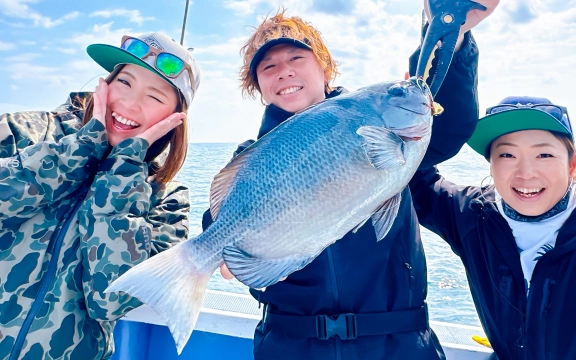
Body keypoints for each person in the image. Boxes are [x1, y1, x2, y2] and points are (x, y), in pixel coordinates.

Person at [200, 4, 497, 359]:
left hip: (397, 344)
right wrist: (236, 258)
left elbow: (448, 123)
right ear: (258, 87)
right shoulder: (250, 160)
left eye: (297, 57)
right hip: (292, 345)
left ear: (324, 68)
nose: (284, 71)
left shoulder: (380, 123)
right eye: (268, 67)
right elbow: (223, 225)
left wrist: (451, 35)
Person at [0, 32, 200, 359]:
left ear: (175, 119)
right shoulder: (31, 131)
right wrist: (80, 150)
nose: (130, 104)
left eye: (155, 96)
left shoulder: (168, 200)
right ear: (105, 83)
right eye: (125, 82)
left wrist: (124, 174)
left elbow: (109, 301)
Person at [410, 96, 576, 359]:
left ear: (572, 164)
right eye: (507, 154)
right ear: (491, 165)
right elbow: (413, 179)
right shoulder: (472, 215)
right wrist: (418, 116)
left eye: (544, 154)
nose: (526, 172)